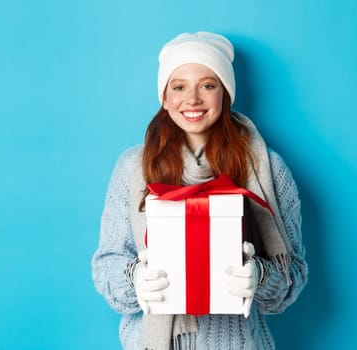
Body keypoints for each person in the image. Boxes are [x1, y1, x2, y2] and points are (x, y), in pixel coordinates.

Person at [91, 32, 308, 350]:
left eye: (208, 85)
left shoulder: (268, 168)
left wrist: (259, 276)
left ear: (225, 94)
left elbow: (293, 275)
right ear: (164, 97)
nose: (192, 99)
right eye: (179, 87)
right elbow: (106, 263)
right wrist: (134, 278)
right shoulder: (132, 168)